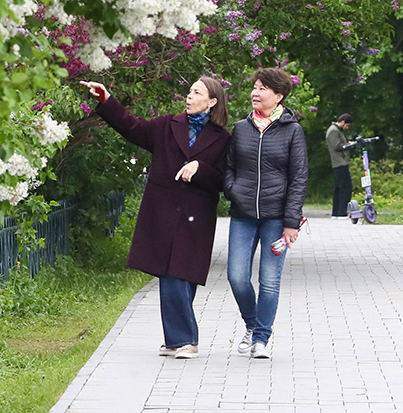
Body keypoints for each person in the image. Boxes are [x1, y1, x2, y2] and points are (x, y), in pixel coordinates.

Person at [82, 77, 231, 359]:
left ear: (212, 102)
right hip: (163, 211)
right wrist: (106, 99)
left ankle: (176, 339)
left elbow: (224, 180)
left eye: (196, 92)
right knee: (172, 274)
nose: (189, 96)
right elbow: (132, 126)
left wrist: (199, 168)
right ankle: (184, 340)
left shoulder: (223, 139)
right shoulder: (166, 125)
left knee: (184, 276)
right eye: (189, 91)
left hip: (196, 216)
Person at [224, 68, 307, 360]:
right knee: (237, 277)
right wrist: (233, 190)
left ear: (278, 96)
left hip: (276, 218)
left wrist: (291, 222)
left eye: (262, 89)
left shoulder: (292, 131)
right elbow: (229, 166)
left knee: (269, 282)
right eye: (255, 87)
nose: (255, 93)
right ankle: (252, 324)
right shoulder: (241, 128)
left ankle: (261, 339)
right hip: (243, 214)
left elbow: (299, 178)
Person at [326, 114, 353, 218]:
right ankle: (342, 212)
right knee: (346, 188)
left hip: (340, 162)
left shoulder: (337, 130)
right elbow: (337, 146)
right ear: (342, 122)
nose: (347, 128)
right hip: (340, 162)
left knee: (338, 188)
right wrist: (349, 145)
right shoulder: (333, 131)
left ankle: (336, 213)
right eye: (347, 125)